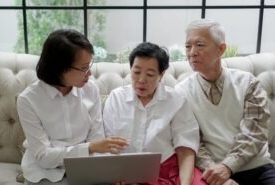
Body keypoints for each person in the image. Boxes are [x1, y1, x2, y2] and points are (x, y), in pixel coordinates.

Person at [17, 29, 128, 185]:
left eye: (89, 65)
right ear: (59, 68)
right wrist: (90, 148)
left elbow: (96, 138)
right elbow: (44, 158)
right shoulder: (28, 100)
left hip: (85, 166)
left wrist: (109, 167)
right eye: (83, 68)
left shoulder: (91, 90)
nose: (89, 74)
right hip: (44, 173)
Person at [175, 19, 275, 185]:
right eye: (188, 46)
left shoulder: (249, 83)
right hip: (211, 172)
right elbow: (192, 142)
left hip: (257, 168)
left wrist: (227, 167)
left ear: (221, 49)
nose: (192, 52)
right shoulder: (182, 92)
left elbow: (254, 134)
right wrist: (215, 172)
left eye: (199, 45)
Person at [103, 42, 207, 185]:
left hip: (169, 169)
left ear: (161, 75)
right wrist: (117, 174)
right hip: (127, 171)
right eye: (136, 72)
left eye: (150, 74)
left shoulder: (176, 100)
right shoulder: (116, 98)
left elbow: (185, 149)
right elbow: (108, 146)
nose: (141, 80)